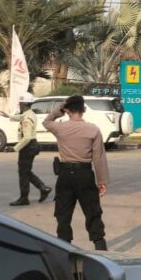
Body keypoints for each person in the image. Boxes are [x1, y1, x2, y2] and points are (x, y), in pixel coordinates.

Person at [43, 95, 109, 250]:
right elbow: (99, 158)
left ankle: (65, 249)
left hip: (65, 175)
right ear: (84, 110)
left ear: (67, 111)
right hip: (85, 175)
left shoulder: (60, 128)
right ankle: (100, 248)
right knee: (93, 212)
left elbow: (46, 122)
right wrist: (102, 182)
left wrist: (59, 109)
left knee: (63, 214)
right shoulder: (93, 130)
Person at [1, 93, 51, 205]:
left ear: (24, 103)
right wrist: (9, 116)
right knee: (25, 171)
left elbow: (27, 137)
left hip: (28, 147)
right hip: (31, 146)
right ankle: (43, 188)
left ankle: (24, 198)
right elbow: (20, 117)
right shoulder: (29, 114)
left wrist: (15, 148)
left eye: (20, 102)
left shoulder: (27, 119)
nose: (19, 104)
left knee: (23, 173)